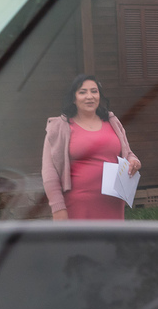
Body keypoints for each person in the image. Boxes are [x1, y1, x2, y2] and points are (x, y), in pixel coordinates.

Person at [42, 74, 141, 220]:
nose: (90, 96)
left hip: (113, 204)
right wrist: (57, 208)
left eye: (94, 91)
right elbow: (49, 172)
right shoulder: (59, 127)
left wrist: (134, 161)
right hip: (77, 206)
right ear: (73, 98)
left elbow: (128, 153)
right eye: (82, 92)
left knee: (111, 243)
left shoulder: (113, 121)